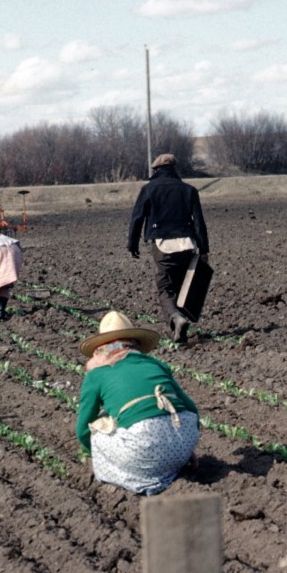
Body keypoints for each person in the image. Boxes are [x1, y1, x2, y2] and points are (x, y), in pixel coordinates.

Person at [75, 310, 200, 495]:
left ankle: (141, 478)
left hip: (143, 447)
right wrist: (185, 447)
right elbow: (191, 409)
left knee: (99, 427)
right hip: (184, 439)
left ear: (101, 348)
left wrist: (94, 452)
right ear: (134, 344)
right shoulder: (156, 364)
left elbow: (83, 430)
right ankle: (170, 465)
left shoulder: (97, 375)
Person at [126, 153, 209, 344]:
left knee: (165, 287)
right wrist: (204, 249)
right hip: (187, 244)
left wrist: (132, 244)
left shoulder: (148, 190)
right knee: (182, 286)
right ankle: (180, 329)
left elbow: (137, 218)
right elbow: (199, 223)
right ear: (175, 169)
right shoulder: (189, 190)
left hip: (163, 245)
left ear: (156, 170)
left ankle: (176, 318)